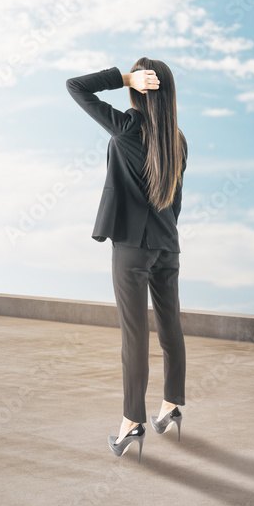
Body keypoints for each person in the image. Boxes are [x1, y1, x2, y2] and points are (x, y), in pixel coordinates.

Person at [65, 58, 187, 463]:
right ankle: (171, 408)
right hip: (168, 245)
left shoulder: (127, 127)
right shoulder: (179, 139)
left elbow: (76, 86)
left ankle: (130, 423)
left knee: (134, 338)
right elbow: (177, 201)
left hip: (132, 247)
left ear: (140, 89)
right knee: (170, 327)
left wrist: (121, 78)